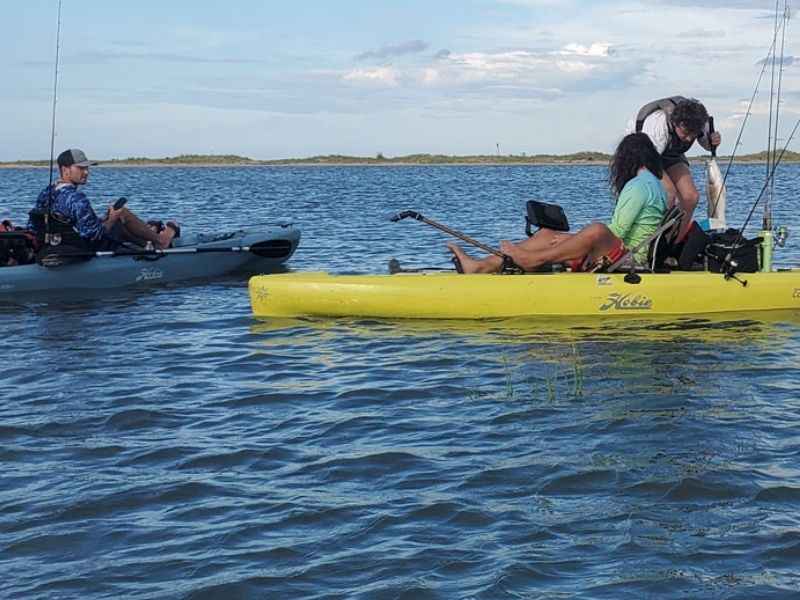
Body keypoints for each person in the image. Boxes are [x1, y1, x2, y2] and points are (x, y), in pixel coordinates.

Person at [447, 133, 667, 273]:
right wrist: (571, 240)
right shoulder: (655, 184)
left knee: (596, 230)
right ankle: (481, 266)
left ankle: (533, 260)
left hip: (629, 258)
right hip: (622, 251)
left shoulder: (638, 186)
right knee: (547, 235)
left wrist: (574, 239)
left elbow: (617, 232)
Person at [28, 148, 178, 251]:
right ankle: (161, 241)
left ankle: (149, 243)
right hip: (85, 247)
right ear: (64, 169)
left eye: (87, 168)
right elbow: (94, 235)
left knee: (110, 218)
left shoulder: (46, 192)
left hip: (58, 244)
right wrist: (111, 219)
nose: (86, 172)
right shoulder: (78, 198)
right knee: (121, 213)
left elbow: (33, 227)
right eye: (80, 168)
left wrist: (105, 219)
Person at [623, 96, 721, 234]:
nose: (689, 139)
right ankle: (651, 238)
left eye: (693, 135)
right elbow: (649, 161)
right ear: (676, 123)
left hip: (670, 154)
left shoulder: (699, 122)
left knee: (690, 197)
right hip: (642, 153)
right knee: (668, 193)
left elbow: (708, 145)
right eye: (685, 133)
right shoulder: (658, 126)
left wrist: (713, 141)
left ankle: (674, 240)